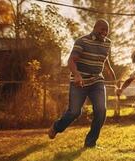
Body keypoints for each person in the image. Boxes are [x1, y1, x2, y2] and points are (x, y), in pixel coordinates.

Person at [48, 19, 116, 148]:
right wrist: (77, 75)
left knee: (101, 110)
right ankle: (56, 127)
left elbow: (104, 58)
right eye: (102, 29)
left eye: (107, 30)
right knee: (74, 112)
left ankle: (90, 143)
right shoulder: (82, 41)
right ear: (95, 27)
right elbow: (71, 60)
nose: (105, 32)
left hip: (97, 81)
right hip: (79, 81)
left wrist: (111, 72)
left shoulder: (107, 43)